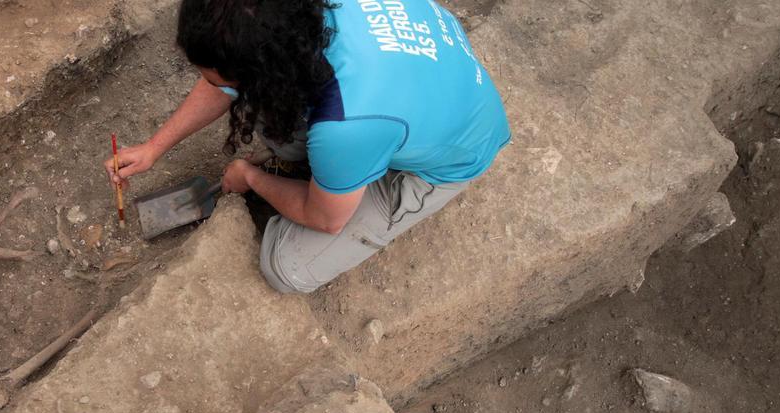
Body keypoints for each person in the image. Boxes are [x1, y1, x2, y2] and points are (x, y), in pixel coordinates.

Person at [105, 0, 510, 293]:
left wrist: (251, 178)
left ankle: (349, 179)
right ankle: (342, 175)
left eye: (215, 78)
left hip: (453, 153)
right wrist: (155, 147)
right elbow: (227, 77)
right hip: (428, 81)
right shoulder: (287, 16)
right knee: (279, 118)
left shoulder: (346, 126)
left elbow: (325, 219)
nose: (214, 85)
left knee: (285, 266)